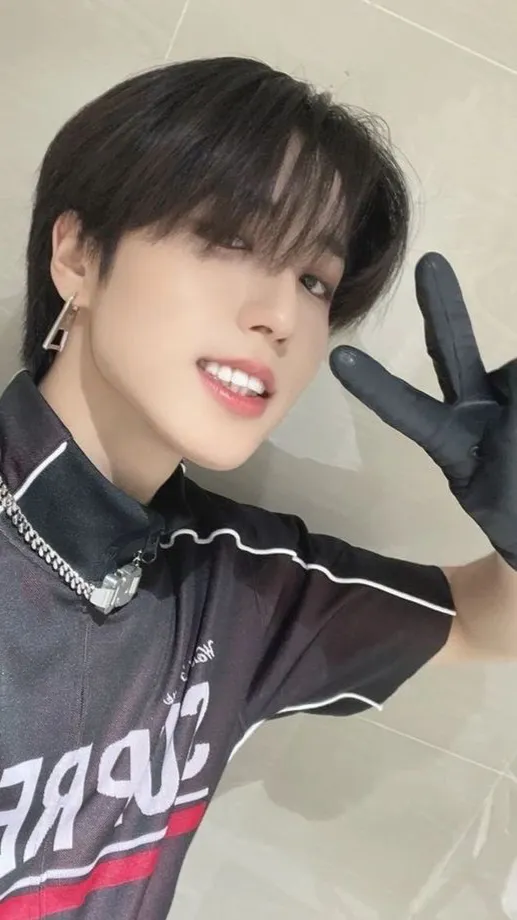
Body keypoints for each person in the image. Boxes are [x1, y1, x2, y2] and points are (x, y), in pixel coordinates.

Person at [0, 54, 515, 920]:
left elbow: (481, 622)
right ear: (78, 256)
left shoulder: (234, 582)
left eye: (313, 280)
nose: (280, 316)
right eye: (230, 240)